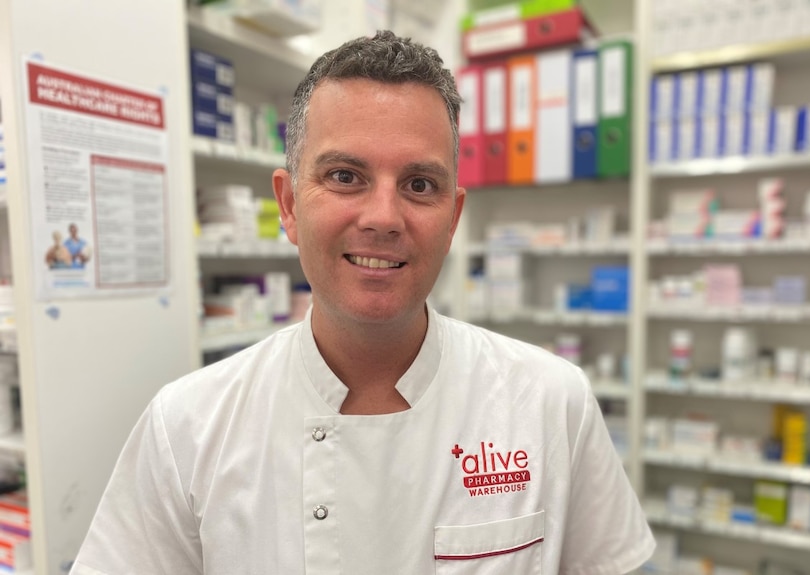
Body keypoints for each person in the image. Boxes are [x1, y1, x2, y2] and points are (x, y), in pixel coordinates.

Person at [71, 31, 655, 574]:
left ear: (453, 218)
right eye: (345, 176)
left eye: (420, 184)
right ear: (290, 205)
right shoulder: (187, 426)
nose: (382, 218)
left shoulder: (551, 402)